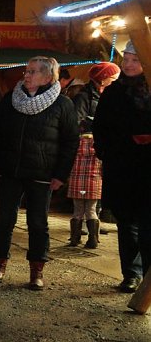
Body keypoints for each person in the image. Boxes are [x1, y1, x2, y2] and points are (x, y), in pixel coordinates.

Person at [0, 57, 79, 290]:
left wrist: (61, 174)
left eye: (34, 72)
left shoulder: (62, 105)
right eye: (26, 71)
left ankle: (37, 270)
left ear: (49, 77)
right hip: (11, 171)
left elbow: (70, 142)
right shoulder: (11, 99)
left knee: (38, 223)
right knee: (4, 221)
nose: (27, 75)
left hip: (42, 173)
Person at [93, 41, 151, 293]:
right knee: (127, 224)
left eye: (134, 60)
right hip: (123, 168)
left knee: (148, 225)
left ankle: (148, 276)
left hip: (148, 170)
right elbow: (102, 128)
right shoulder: (114, 93)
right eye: (126, 59)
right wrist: (113, 148)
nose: (127, 64)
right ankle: (132, 273)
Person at [66, 62, 121, 247]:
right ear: (103, 78)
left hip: (94, 157)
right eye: (112, 77)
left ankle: (83, 236)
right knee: (87, 204)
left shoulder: (109, 95)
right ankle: (89, 237)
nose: (115, 81)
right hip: (90, 154)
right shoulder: (85, 96)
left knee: (83, 205)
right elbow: (77, 121)